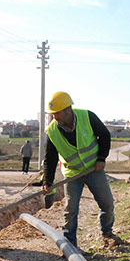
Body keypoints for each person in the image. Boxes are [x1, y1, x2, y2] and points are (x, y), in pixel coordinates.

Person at [42, 91, 121, 247]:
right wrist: (47, 181)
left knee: (107, 204)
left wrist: (101, 159)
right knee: (70, 208)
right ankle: (70, 242)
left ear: (68, 110)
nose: (54, 117)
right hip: (73, 173)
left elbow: (104, 135)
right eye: (52, 114)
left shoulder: (87, 117)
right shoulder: (52, 131)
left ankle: (107, 232)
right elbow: (50, 159)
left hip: (94, 169)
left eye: (57, 113)